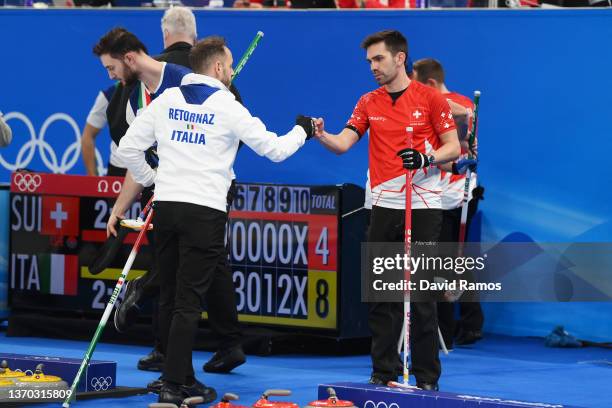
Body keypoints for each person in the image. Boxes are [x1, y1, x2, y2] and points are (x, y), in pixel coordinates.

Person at [117, 35, 316, 405]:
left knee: (175, 297)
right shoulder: (228, 105)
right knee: (189, 301)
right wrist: (302, 130)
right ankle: (175, 386)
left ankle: (180, 377)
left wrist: (153, 179)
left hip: (169, 208)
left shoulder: (167, 100)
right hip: (204, 212)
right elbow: (274, 149)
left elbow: (127, 148)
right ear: (221, 68)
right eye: (228, 65)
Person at [314, 30, 460, 390]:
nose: (373, 67)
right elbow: (344, 143)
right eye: (369, 62)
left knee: (422, 295)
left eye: (378, 59)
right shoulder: (368, 101)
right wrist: (321, 134)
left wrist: (426, 158)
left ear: (399, 58)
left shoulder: (430, 99)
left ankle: (427, 378)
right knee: (381, 295)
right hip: (382, 203)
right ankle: (383, 372)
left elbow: (453, 147)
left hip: (423, 204)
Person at [111, 6, 246, 379]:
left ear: (163, 33)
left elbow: (129, 149)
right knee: (207, 262)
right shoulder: (223, 85)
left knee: (175, 271)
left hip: (173, 189)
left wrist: (149, 179)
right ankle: (225, 342)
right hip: (213, 189)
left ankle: (165, 349)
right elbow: (245, 140)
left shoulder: (160, 82)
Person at [412, 58, 484, 349]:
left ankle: (445, 330)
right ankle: (469, 323)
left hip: (451, 194)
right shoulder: (460, 103)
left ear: (430, 84)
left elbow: (465, 142)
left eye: (416, 84)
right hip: (450, 192)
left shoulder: (453, 104)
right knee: (454, 262)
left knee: (441, 263)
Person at [81, 84, 128, 176]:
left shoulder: (156, 90)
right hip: (118, 171)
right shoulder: (110, 94)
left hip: (152, 169)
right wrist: (93, 181)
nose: (111, 75)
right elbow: (87, 136)